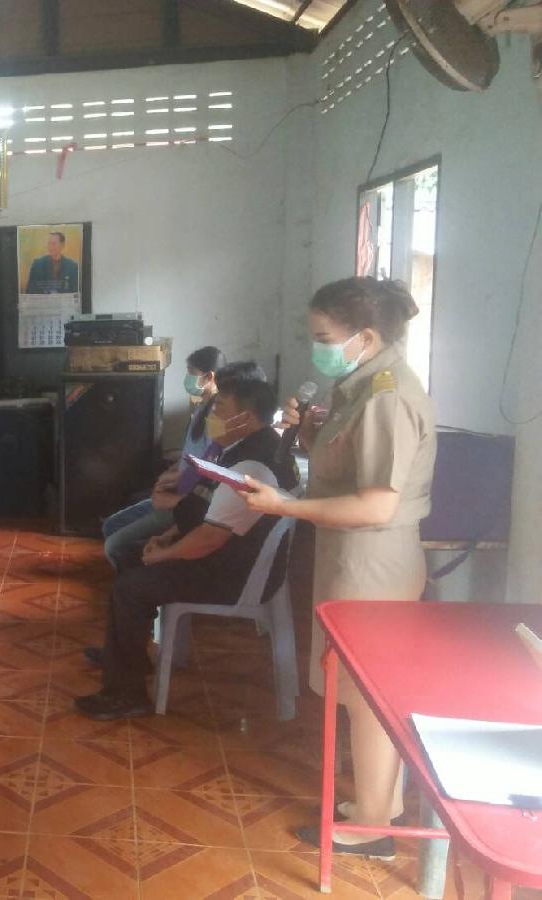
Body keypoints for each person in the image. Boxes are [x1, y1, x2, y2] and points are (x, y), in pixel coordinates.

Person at [239, 277, 435, 859]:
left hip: (374, 561)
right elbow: (344, 467)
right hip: (352, 554)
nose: (316, 348)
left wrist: (283, 506)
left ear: (365, 337)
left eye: (324, 338)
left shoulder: (386, 397)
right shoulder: (361, 385)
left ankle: (374, 829)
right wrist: (307, 434)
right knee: (357, 690)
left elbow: (376, 504)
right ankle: (379, 806)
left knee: (369, 695)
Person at [75, 368, 299, 720]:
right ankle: (126, 655)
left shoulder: (251, 466)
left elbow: (209, 539)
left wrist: (163, 555)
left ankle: (126, 693)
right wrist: (167, 537)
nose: (213, 415)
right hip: (228, 556)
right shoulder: (252, 446)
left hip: (231, 574)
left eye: (220, 407)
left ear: (246, 416)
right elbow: (210, 513)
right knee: (131, 556)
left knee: (131, 586)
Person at [101, 346, 228, 572]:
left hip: (186, 500)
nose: (188, 378)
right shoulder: (201, 408)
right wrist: (173, 472)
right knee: (111, 525)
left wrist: (176, 488)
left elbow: (210, 468)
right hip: (178, 489)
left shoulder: (217, 417)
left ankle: (136, 578)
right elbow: (191, 455)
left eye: (192, 372)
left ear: (209, 377)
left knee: (114, 546)